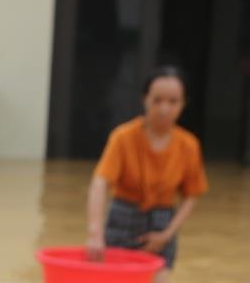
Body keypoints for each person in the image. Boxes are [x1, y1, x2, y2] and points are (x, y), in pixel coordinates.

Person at [86, 68, 209, 268]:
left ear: (183, 104)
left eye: (173, 101)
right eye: (157, 100)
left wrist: (167, 234)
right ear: (145, 99)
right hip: (122, 218)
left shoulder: (189, 145)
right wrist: (95, 233)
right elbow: (100, 183)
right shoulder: (123, 137)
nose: (164, 109)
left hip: (163, 224)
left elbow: (192, 194)